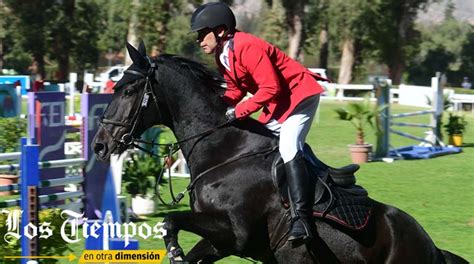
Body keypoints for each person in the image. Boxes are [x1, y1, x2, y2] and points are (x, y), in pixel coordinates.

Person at [190, 2, 327, 247]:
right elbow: (236, 89)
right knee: (260, 144)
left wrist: (239, 111)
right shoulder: (224, 55)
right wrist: (215, 106)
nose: (199, 40)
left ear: (220, 30)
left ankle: (302, 219)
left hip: (300, 96)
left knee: (287, 148)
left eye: (203, 33)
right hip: (280, 102)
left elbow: (271, 87)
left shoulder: (247, 46)